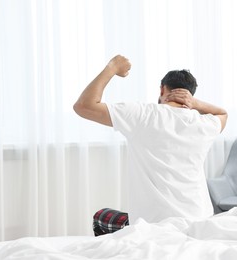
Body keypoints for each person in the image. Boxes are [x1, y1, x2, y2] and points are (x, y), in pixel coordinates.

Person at [74, 55, 228, 227]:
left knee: (101, 217)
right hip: (199, 221)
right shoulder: (204, 124)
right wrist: (196, 103)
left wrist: (112, 67)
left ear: (162, 90)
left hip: (153, 225)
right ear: (190, 95)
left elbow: (83, 106)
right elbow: (222, 114)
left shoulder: (143, 115)